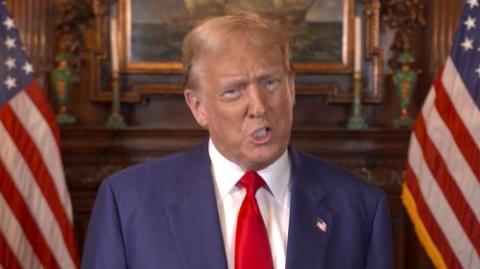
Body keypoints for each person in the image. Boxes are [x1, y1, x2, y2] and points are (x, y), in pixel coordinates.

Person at [82, 12, 392, 269]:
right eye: (234, 91)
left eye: (270, 83)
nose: (258, 106)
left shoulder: (360, 206)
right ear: (198, 107)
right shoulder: (127, 203)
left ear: (291, 89)